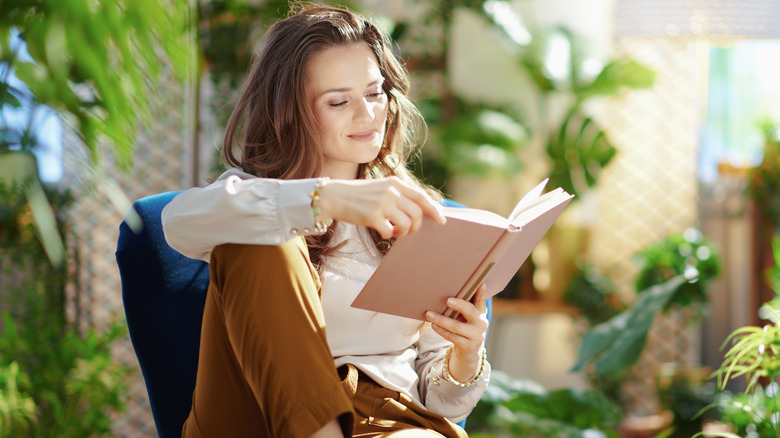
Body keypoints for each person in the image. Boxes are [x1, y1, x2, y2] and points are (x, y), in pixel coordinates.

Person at [161, 4, 490, 438]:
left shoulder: (417, 215)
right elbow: (175, 223)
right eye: (339, 101)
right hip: (251, 415)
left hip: (381, 417)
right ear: (292, 111)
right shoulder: (251, 195)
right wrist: (327, 199)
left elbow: (440, 402)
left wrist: (466, 355)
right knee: (260, 232)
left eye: (375, 94)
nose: (368, 114)